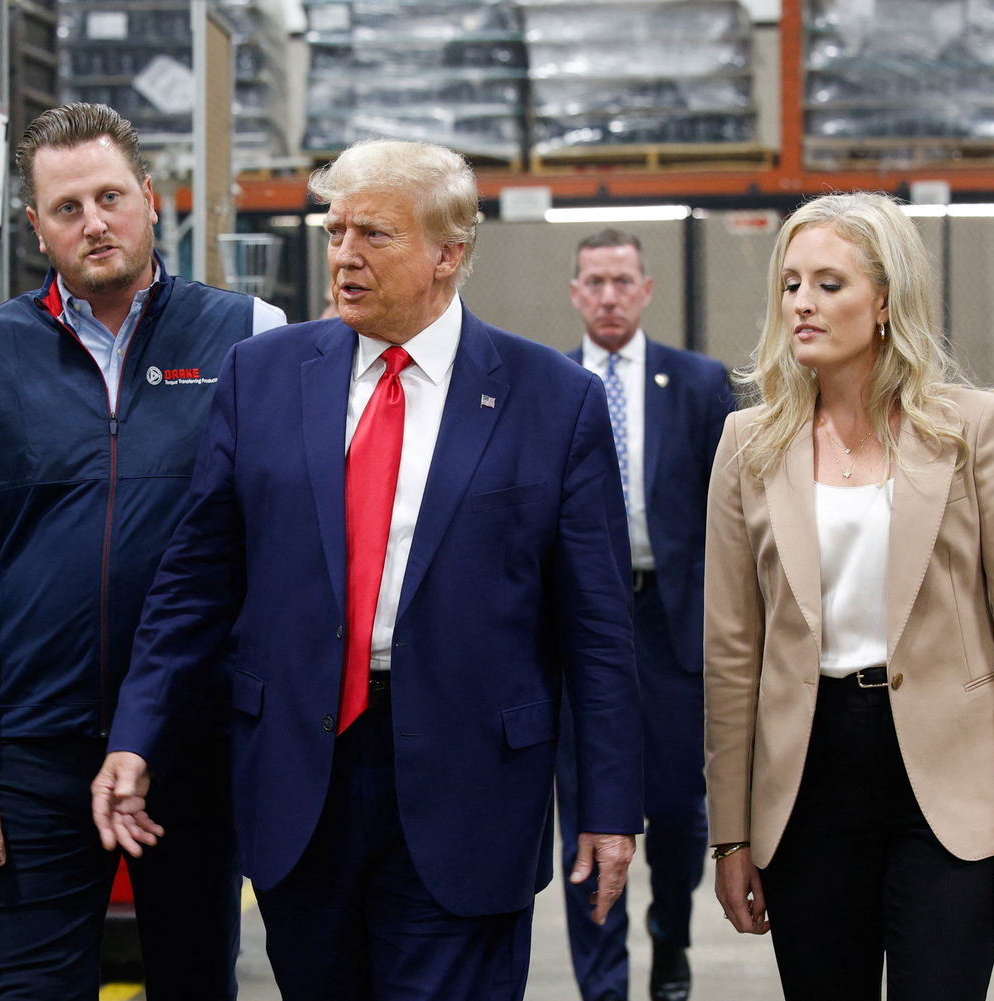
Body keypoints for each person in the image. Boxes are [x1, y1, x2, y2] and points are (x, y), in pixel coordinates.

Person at [92, 138, 644, 1000]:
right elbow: (193, 583)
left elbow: (599, 630)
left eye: (374, 234)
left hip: (470, 786)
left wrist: (608, 806)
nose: (344, 255)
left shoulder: (551, 399)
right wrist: (136, 734)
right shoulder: (262, 376)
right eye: (335, 231)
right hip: (301, 779)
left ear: (448, 254)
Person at [0, 102, 286, 1000]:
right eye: (68, 207)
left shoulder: (251, 335)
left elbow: (286, 555)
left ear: (150, 199)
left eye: (111, 197)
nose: (95, 222)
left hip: (193, 743)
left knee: (198, 982)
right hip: (34, 750)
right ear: (35, 225)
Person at [704, 191, 994, 1001]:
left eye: (828, 283)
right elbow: (731, 655)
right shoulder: (747, 444)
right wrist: (730, 835)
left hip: (950, 779)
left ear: (885, 302)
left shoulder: (974, 428)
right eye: (791, 284)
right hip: (806, 780)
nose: (801, 302)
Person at [563, 229, 734, 1001]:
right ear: (576, 292)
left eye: (622, 281)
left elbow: (732, 514)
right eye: (595, 282)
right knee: (587, 813)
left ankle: (670, 935)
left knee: (675, 809)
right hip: (579, 626)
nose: (609, 296)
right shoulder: (549, 383)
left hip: (670, 624)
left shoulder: (698, 384)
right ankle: (603, 984)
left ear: (647, 289)